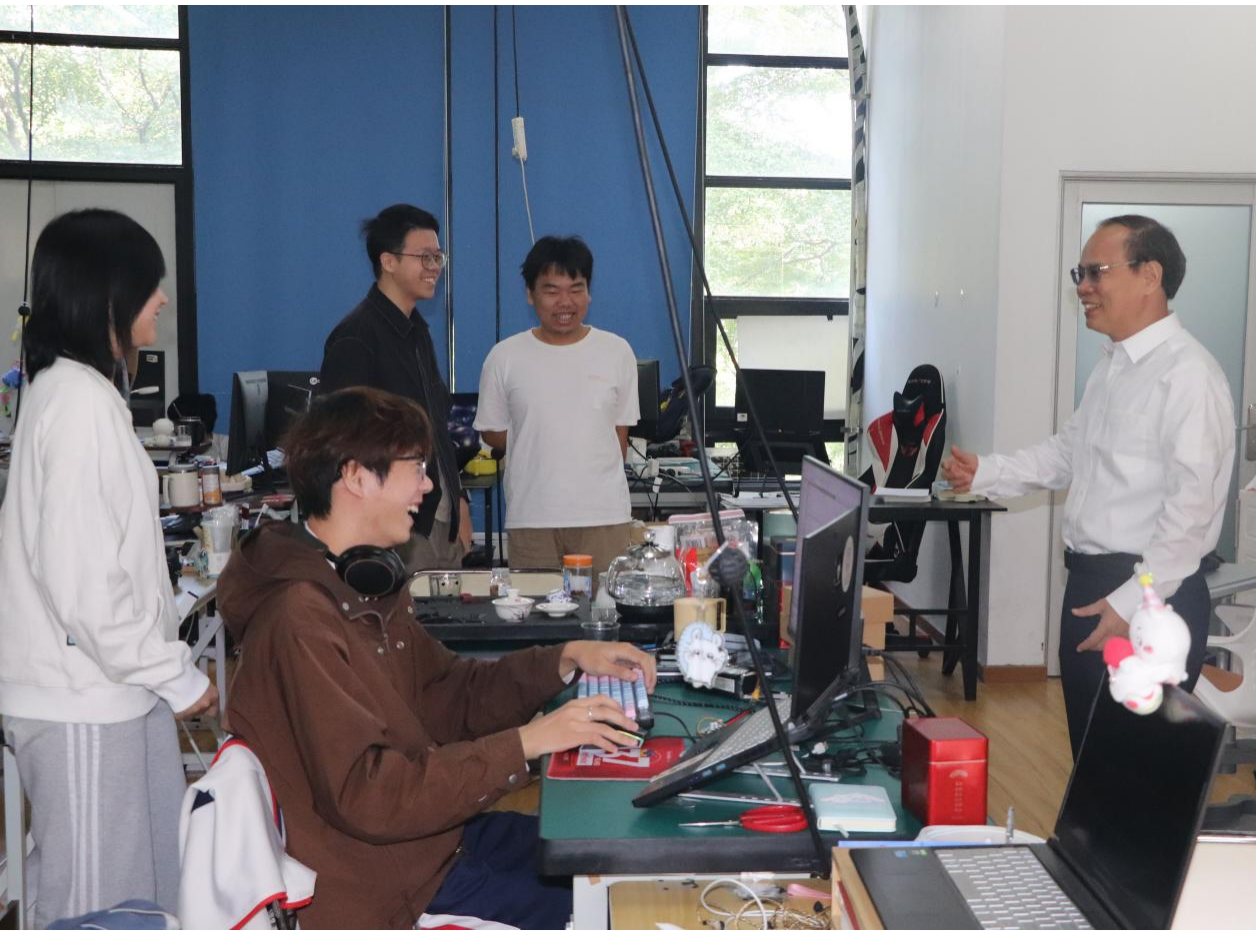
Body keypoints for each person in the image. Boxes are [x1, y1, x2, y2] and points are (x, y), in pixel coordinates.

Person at [217, 386, 655, 930]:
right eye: (417, 468)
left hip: (430, 843)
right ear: (356, 477)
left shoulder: (362, 585)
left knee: (617, 858)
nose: (427, 486)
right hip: (387, 885)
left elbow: (450, 694)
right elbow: (370, 795)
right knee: (617, 911)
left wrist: (564, 659)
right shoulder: (300, 619)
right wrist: (527, 742)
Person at [941, 215, 1234, 756]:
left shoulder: (1187, 376)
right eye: (1080, 273)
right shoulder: (1115, 367)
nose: (1083, 287)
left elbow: (1190, 516)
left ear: (1150, 275)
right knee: (1094, 761)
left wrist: (1129, 604)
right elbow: (1068, 455)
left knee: (1135, 773)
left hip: (1148, 596)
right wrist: (986, 472)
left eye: (1097, 272)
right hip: (1093, 585)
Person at [0, 209, 217, 928]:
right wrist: (177, 675)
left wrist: (161, 674)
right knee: (94, 908)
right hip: (83, 699)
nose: (161, 299)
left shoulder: (78, 393)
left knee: (137, 890)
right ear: (107, 295)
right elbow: (83, 584)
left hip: (112, 693)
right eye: (149, 286)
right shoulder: (76, 404)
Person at [319, 203, 471, 572]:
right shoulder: (356, 337)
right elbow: (341, 445)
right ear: (388, 261)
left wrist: (460, 501)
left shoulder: (417, 331)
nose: (435, 267)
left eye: (438, 257)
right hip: (396, 527)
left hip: (438, 517)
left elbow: (436, 426)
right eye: (424, 257)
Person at [475, 236, 638, 574]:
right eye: (551, 291)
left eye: (576, 289)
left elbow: (619, 436)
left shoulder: (617, 352)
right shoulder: (504, 357)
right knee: (533, 607)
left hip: (603, 518)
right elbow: (492, 431)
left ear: (589, 292)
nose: (565, 302)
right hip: (531, 519)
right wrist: (537, 441)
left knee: (604, 606)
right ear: (530, 294)